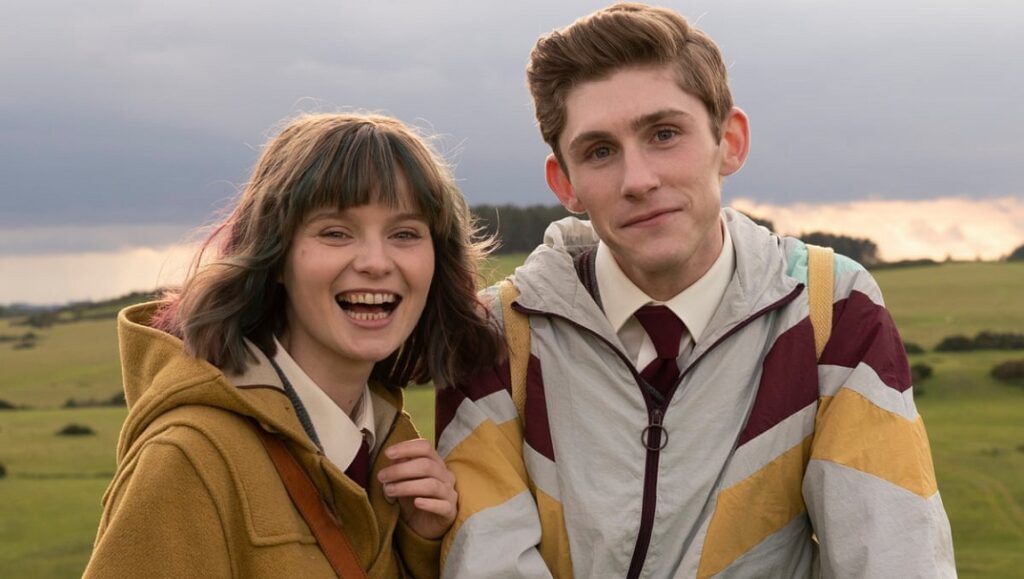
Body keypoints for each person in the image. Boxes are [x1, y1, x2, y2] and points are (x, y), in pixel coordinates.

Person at [436, 3, 956, 578]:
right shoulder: (497, 334)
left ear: (729, 142)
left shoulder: (831, 310)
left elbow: (893, 555)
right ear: (566, 183)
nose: (639, 180)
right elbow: (486, 563)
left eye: (664, 134)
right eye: (600, 151)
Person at [83, 112, 500, 578]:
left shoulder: (392, 457)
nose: (376, 262)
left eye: (404, 234)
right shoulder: (189, 461)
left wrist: (421, 547)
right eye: (336, 232)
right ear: (276, 256)